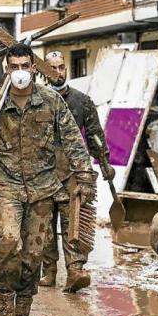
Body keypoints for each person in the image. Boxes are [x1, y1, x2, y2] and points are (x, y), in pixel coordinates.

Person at [0, 43, 96, 316]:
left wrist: (84, 175)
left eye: (25, 65)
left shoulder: (50, 101)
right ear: (6, 70)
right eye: (14, 67)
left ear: (33, 68)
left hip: (42, 189)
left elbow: (73, 139)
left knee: (33, 254)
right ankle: (4, 312)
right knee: (8, 243)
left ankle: (22, 315)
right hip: (6, 186)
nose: (20, 72)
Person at [40, 51, 113, 292]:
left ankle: (75, 269)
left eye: (62, 67)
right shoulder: (37, 100)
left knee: (74, 222)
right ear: (44, 71)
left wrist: (104, 163)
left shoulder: (82, 101)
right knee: (44, 224)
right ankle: (48, 270)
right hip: (43, 172)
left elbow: (95, 137)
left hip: (73, 171)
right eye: (53, 68)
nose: (58, 72)